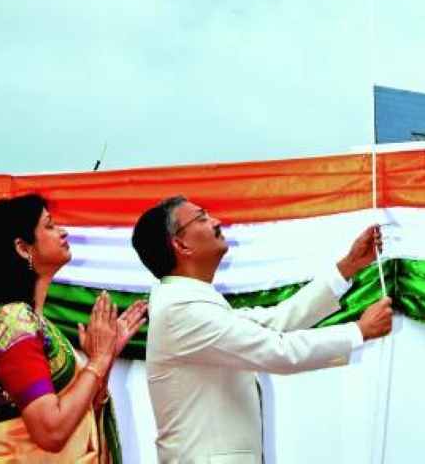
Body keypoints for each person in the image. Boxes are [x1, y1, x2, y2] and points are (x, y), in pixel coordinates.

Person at [131, 194, 393, 464]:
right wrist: (358, 332)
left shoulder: (185, 300)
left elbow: (276, 322)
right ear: (181, 244)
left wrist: (348, 266)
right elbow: (276, 350)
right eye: (202, 217)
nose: (216, 221)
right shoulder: (181, 309)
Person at [0, 192, 147, 462]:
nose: (63, 232)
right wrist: (97, 363)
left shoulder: (37, 325)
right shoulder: (10, 323)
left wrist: (102, 362)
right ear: (22, 248)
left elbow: (74, 419)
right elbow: (51, 431)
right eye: (50, 225)